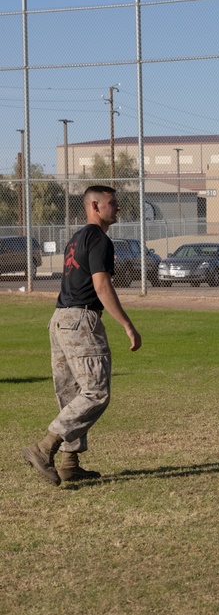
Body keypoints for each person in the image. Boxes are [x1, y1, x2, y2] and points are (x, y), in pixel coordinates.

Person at [21, 185, 142, 486]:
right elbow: (102, 287)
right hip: (80, 321)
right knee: (95, 392)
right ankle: (44, 447)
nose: (118, 208)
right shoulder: (100, 239)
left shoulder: (75, 238)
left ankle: (69, 463)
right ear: (95, 206)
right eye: (112, 203)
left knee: (72, 395)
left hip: (59, 319)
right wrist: (127, 324)